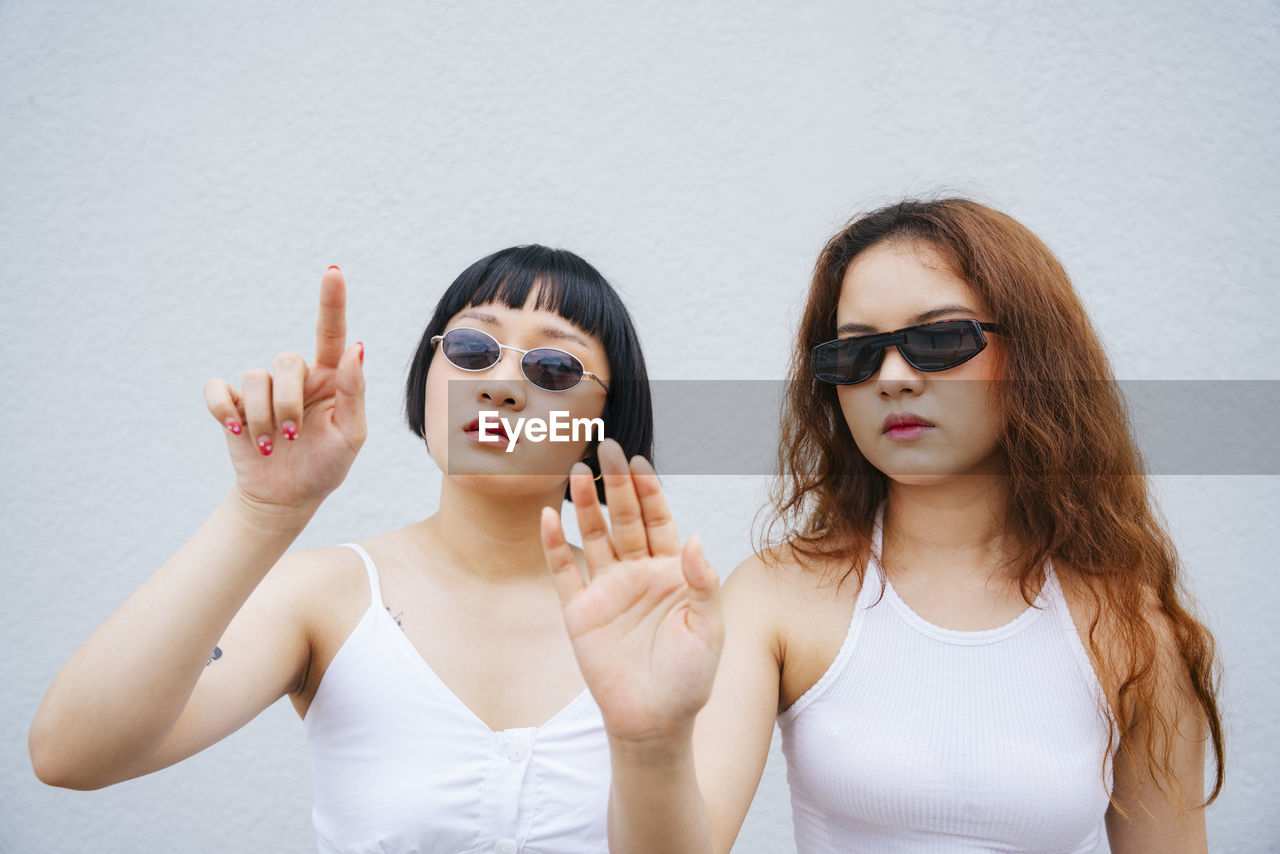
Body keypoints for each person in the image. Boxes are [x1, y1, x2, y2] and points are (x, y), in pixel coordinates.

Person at [540, 199, 1225, 853]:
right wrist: (648, 743)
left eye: (940, 339)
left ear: (1037, 357)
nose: (892, 376)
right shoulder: (777, 596)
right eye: (856, 352)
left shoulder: (1136, 629)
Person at [30, 245, 654, 853]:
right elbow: (71, 755)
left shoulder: (658, 615)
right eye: (472, 349)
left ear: (606, 416)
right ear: (425, 376)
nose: (501, 386)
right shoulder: (329, 596)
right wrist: (262, 513)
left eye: (553, 368)